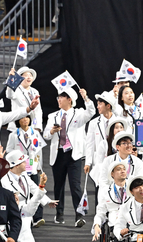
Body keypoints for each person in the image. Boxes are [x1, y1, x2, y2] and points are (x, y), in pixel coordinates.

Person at [0, 150, 56, 242]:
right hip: (8, 220)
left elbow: (34, 190)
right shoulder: (4, 181)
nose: (26, 163)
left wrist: (47, 200)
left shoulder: (24, 176)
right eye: (23, 161)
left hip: (24, 215)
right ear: (15, 164)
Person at [43, 87, 95, 226]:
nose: (58, 100)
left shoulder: (79, 114)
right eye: (58, 98)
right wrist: (52, 131)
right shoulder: (52, 116)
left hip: (74, 154)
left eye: (61, 97)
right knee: (58, 185)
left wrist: (86, 98)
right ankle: (59, 214)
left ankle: (79, 215)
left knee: (75, 185)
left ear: (69, 99)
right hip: (58, 153)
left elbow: (91, 112)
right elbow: (46, 135)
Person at [91, 161, 132, 242]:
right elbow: (101, 211)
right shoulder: (105, 191)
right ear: (112, 174)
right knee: (118, 231)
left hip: (132, 218)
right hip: (115, 219)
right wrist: (97, 225)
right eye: (119, 169)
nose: (122, 171)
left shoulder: (133, 188)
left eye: (124, 168)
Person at [6, 115, 48, 226]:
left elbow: (38, 150)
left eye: (27, 118)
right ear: (18, 121)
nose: (25, 120)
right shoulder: (14, 135)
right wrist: (18, 155)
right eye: (22, 118)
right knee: (24, 190)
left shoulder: (35, 133)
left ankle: (38, 217)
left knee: (36, 189)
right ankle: (24, 215)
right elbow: (9, 150)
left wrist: (39, 166)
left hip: (31, 164)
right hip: (20, 166)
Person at [7, 67, 42, 132]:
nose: (29, 77)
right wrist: (11, 79)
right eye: (25, 76)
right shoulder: (16, 89)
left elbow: (38, 110)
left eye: (30, 75)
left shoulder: (35, 91)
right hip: (17, 127)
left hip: (32, 127)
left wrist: (38, 126)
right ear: (20, 78)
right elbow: (9, 95)